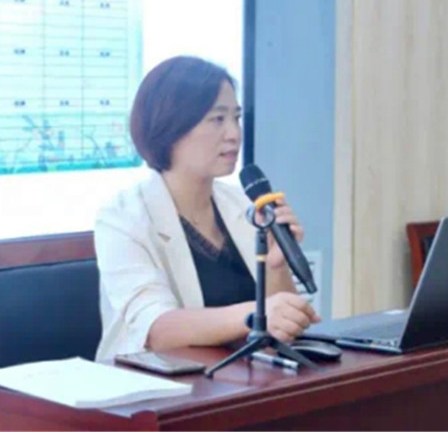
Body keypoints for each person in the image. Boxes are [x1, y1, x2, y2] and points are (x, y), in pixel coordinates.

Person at [94, 56, 320, 361]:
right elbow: (157, 329)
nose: (234, 133)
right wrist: (256, 314)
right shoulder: (123, 217)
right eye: (217, 119)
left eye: (236, 118)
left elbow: (285, 327)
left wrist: (276, 265)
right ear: (171, 128)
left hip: (246, 378)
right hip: (159, 383)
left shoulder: (243, 204)